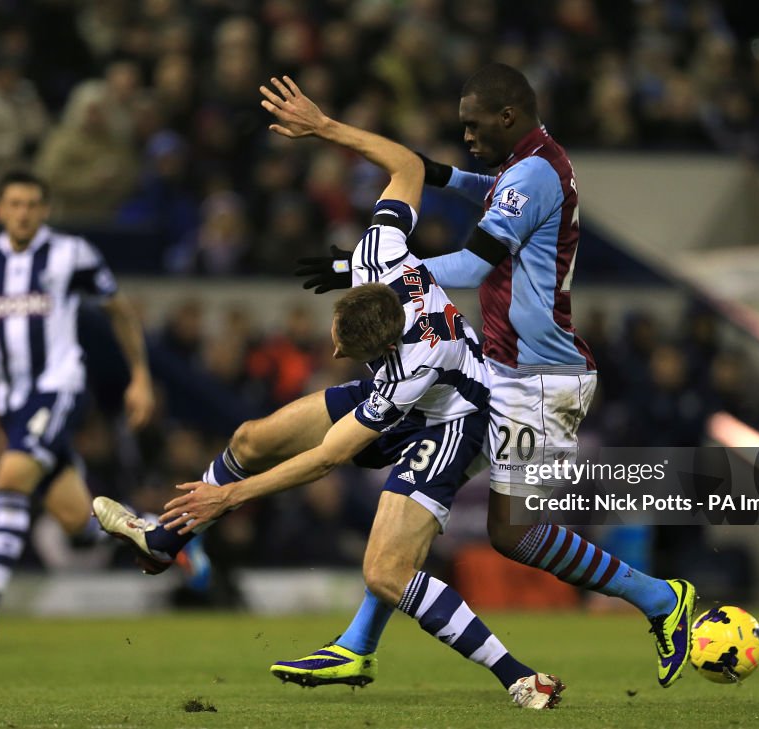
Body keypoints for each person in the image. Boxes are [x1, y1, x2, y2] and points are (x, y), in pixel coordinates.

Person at [93, 76, 564, 710]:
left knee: (386, 573)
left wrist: (226, 498)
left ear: (365, 352)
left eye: (340, 349)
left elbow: (327, 459)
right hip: (404, 382)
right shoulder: (383, 251)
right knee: (251, 438)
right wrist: (324, 127)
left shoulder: (411, 370)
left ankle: (519, 677)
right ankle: (163, 543)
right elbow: (403, 164)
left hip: (453, 415)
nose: (332, 351)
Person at [290, 63, 696, 689]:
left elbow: (476, 265)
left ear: (508, 117)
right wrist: (408, 164)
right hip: (503, 368)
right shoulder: (533, 162)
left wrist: (367, 265)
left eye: (474, 126)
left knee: (510, 534)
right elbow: (476, 180)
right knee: (417, 495)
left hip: (540, 380)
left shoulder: (532, 172)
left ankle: (662, 600)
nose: (468, 135)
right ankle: (355, 645)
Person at [0, 170, 196, 643]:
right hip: (13, 401)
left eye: (33, 204)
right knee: (77, 519)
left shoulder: (71, 254)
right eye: (15, 204)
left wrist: (140, 377)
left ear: (45, 210)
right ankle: (165, 538)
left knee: (10, 478)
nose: (24, 212)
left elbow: (119, 311)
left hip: (60, 388)